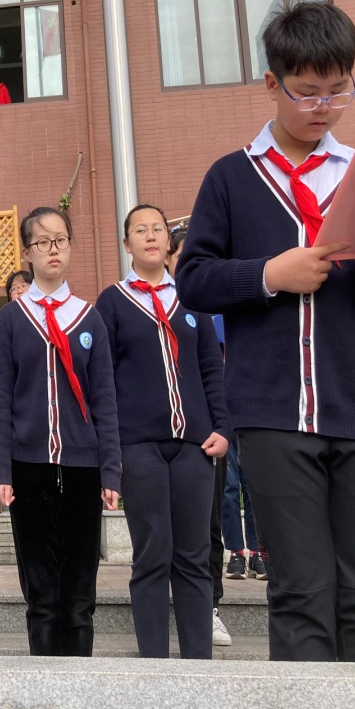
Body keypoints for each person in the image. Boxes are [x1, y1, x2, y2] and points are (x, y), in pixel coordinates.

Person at [176, 1, 355, 662]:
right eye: (307, 91)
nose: (323, 106)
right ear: (272, 83)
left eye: (338, 89)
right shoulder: (232, 177)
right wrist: (269, 273)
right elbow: (194, 280)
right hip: (273, 414)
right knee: (300, 592)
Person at [96, 204, 230, 659]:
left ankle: (198, 666)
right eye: (140, 230)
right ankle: (152, 665)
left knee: (193, 558)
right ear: (127, 243)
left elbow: (212, 369)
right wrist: (111, 457)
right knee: (152, 555)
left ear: (169, 242)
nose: (151, 236)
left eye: (158, 229)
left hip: (196, 446)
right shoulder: (112, 302)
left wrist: (222, 427)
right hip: (139, 448)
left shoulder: (192, 299)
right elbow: (105, 384)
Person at [0, 206, 121, 656]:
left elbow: (105, 400)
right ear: (27, 252)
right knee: (41, 595)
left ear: (70, 246)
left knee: (80, 595)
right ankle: (42, 695)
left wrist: (111, 473)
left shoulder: (89, 318)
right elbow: (0, 399)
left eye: (60, 240)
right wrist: (1, 471)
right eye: (42, 242)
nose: (52, 249)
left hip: (84, 468)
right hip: (28, 469)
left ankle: (80, 693)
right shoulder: (11, 319)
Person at [169, 223, 232, 648]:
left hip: (205, 433)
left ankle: (207, 606)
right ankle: (163, 606)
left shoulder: (212, 304)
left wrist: (223, 424)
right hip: (153, 435)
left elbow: (218, 370)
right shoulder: (139, 302)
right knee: (159, 527)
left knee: (207, 524)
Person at [222, 441, 264, 580]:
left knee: (253, 489)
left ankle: (256, 552)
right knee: (229, 489)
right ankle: (236, 553)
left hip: (252, 424)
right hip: (228, 427)